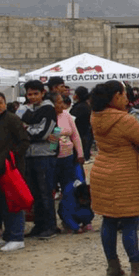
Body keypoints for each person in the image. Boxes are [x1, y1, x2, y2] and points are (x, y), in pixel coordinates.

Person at [88, 80, 139, 276]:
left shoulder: (95, 116)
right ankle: (137, 266)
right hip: (124, 174)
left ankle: (113, 266)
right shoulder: (125, 120)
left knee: (109, 220)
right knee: (130, 220)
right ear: (115, 97)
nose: (127, 98)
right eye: (123, 94)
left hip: (102, 171)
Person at [0, 92, 30, 252]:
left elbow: (24, 141)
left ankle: (17, 237)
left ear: (5, 103)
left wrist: (11, 157)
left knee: (14, 201)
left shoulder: (11, 119)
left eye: (0, 102)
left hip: (10, 168)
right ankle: (8, 235)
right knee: (3, 202)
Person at [20, 79, 59, 240]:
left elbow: (43, 132)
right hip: (30, 155)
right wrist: (32, 131)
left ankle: (50, 225)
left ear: (42, 93)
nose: (32, 97)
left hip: (44, 156)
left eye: (36, 93)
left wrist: (27, 128)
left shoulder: (48, 109)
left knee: (45, 192)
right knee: (35, 192)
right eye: (30, 94)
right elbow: (20, 128)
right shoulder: (27, 109)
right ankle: (39, 224)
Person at [49, 92, 86, 233]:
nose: (61, 105)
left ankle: (69, 220)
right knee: (51, 191)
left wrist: (80, 154)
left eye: (62, 102)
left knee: (69, 190)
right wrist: (54, 151)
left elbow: (75, 136)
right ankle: (52, 222)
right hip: (53, 158)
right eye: (58, 102)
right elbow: (52, 140)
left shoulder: (66, 116)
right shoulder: (49, 116)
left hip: (68, 158)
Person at [71, 86, 94, 160]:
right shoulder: (85, 105)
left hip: (81, 134)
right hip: (85, 133)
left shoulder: (80, 107)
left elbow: (73, 120)